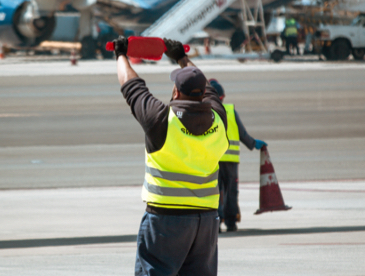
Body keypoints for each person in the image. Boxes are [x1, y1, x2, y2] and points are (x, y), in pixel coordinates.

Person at [113, 36, 229, 276]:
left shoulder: (163, 120)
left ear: (176, 91)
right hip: (206, 221)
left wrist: (121, 55)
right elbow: (207, 89)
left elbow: (131, 86)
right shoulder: (219, 118)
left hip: (167, 221)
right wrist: (182, 59)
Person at [209, 79, 267, 232]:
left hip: (213, 161)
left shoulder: (207, 112)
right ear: (223, 97)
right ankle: (231, 222)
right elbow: (242, 134)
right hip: (231, 162)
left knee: (214, 192)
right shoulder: (230, 111)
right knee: (231, 192)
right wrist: (253, 144)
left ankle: (216, 222)